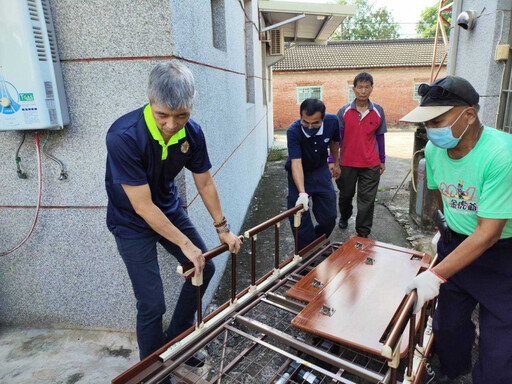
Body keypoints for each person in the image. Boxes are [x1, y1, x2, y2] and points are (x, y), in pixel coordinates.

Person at [105, 61, 242, 362]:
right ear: (150, 100)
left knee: (203, 269)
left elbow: (204, 182)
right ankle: (153, 369)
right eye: (163, 115)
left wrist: (223, 228)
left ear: (191, 106)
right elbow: (141, 205)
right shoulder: (124, 135)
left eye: (181, 115)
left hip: (168, 207)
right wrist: (185, 243)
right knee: (152, 304)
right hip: (131, 222)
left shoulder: (192, 133)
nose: (171, 124)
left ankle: (177, 341)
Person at [402, 75, 512, 384]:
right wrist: (446, 223)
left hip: (502, 256)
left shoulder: (501, 154)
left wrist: (435, 275)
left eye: (438, 120)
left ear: (469, 114)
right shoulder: (436, 151)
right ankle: (453, 372)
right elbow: (440, 193)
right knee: (447, 327)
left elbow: (488, 233)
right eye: (427, 122)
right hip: (456, 244)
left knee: (499, 347)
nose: (431, 129)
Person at [329, 72, 386, 238]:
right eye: (360, 87)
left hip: (370, 163)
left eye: (366, 87)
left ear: (371, 89)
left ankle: (362, 233)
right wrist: (333, 160)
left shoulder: (378, 111)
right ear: (354, 89)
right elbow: (335, 139)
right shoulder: (344, 111)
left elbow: (380, 136)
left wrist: (382, 159)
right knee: (346, 195)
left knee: (367, 200)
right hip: (346, 162)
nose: (363, 91)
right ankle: (345, 216)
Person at [285, 98, 340, 251]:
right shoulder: (293, 131)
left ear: (323, 118)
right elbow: (296, 162)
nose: (309, 127)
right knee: (299, 216)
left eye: (315, 123)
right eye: (305, 122)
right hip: (299, 172)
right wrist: (302, 193)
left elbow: (334, 142)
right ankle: (307, 255)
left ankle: (314, 243)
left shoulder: (332, 121)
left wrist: (335, 163)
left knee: (329, 217)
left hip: (320, 170)